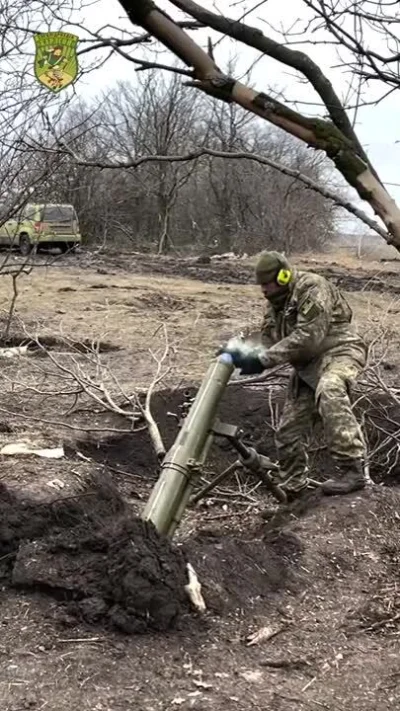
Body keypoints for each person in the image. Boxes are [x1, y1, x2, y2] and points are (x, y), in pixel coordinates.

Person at [220, 250, 370, 500]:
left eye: (268, 283)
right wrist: (238, 351)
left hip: (340, 352)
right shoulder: (275, 307)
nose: (264, 290)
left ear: (284, 275)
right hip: (308, 368)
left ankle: (352, 470)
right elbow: (268, 340)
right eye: (261, 285)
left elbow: (308, 339)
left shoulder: (312, 288)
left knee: (331, 389)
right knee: (288, 431)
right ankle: (294, 492)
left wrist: (262, 360)